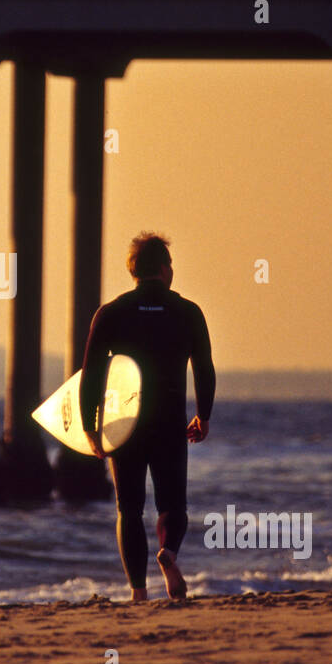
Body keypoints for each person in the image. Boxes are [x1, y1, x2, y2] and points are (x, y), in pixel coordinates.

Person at [79, 233, 215, 603]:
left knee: (129, 509)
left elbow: (91, 375)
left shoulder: (111, 313)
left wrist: (91, 429)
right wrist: (203, 415)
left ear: (132, 270)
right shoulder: (188, 312)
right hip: (170, 419)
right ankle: (168, 552)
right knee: (173, 506)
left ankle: (138, 593)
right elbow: (204, 368)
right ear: (164, 268)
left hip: (126, 423)